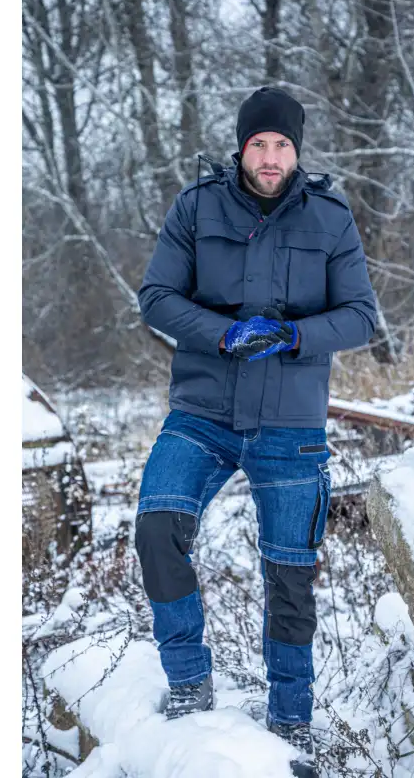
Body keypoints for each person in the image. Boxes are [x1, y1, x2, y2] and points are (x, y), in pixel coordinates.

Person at [135, 86, 376, 774]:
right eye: (258, 144)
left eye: (282, 145)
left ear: (298, 151)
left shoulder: (330, 216)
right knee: (157, 527)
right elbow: (156, 296)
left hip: (289, 425)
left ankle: (291, 719)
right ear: (241, 148)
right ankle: (189, 680)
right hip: (203, 413)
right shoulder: (197, 207)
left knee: (289, 575)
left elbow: (361, 315)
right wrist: (222, 333)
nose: (270, 158)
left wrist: (296, 336)